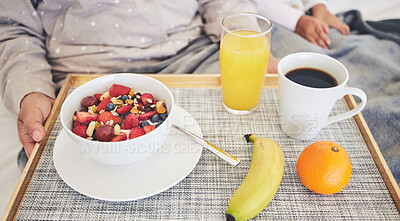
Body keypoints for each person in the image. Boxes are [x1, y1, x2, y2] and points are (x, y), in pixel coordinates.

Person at [0, 0, 280, 166]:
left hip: (192, 53)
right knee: (44, 171)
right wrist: (30, 92)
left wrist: (248, 41)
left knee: (248, 135)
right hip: (82, 72)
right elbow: (12, 26)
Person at [254, 0, 350, 49]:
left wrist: (318, 6)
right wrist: (296, 20)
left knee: (348, 44)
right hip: (261, 18)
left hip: (307, 12)